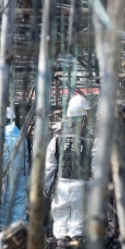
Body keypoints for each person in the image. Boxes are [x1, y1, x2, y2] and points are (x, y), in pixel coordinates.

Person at [45, 95, 95, 239]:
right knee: (79, 221)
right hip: (82, 184)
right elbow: (95, 167)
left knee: (60, 220)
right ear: (84, 116)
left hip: (61, 184)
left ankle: (60, 248)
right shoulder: (91, 137)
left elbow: (50, 164)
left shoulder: (58, 137)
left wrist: (47, 186)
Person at [0, 107, 29, 229]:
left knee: (2, 217)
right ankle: (18, 242)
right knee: (19, 216)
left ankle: (2, 242)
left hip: (3, 182)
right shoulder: (22, 138)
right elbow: (26, 161)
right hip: (21, 181)